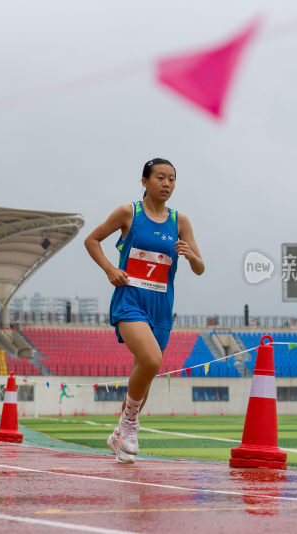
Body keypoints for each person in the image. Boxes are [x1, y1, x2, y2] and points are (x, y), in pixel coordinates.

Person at [84, 158, 204, 463]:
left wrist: (190, 255)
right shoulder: (129, 213)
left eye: (172, 179)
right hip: (130, 300)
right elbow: (92, 240)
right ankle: (130, 424)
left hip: (161, 306)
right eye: (160, 177)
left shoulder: (180, 221)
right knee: (152, 359)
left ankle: (119, 434)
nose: (166, 184)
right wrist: (110, 269)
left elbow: (201, 269)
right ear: (144, 181)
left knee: (146, 370)